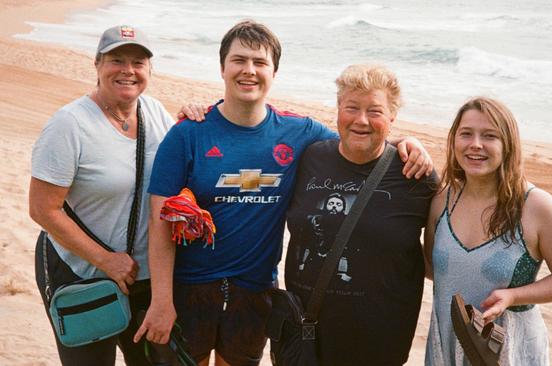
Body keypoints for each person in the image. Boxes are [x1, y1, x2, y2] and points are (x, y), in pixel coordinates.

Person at [135, 20, 433, 366]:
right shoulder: (188, 133)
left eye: (260, 63)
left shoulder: (299, 132)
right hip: (190, 291)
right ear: (222, 67)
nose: (249, 71)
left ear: (274, 73)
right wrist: (161, 301)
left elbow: (355, 137)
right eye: (239, 60)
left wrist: (405, 143)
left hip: (254, 291)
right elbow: (159, 222)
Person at [29, 25, 176, 365]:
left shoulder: (155, 112)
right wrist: (104, 259)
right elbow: (42, 209)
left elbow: (184, 160)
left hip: (144, 276)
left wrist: (198, 113)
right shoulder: (69, 125)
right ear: (96, 64)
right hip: (82, 273)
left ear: (149, 71)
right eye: (117, 60)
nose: (128, 70)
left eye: (138, 62)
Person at [284, 64, 437, 365]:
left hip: (378, 343)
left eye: (375, 112)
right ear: (338, 108)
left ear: (392, 117)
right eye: (351, 107)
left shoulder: (416, 176)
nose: (361, 120)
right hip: (303, 335)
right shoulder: (310, 157)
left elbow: (441, 259)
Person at [424, 97, 552, 366]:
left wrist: (513, 296)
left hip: (506, 350)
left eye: (490, 136)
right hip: (445, 345)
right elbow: (432, 268)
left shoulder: (536, 206)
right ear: (454, 140)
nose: (475, 144)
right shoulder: (442, 201)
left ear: (508, 145)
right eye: (466, 134)